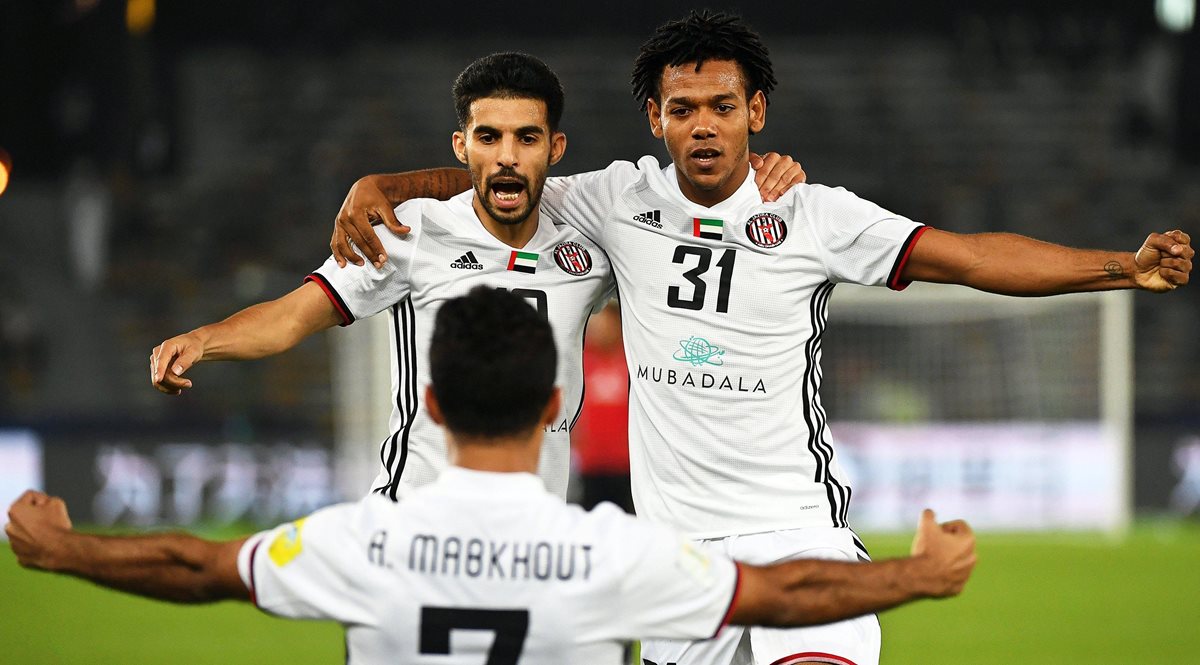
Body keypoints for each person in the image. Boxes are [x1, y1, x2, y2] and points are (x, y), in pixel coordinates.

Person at [328, 11, 1193, 665]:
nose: (704, 125)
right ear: (654, 121)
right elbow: (501, 175)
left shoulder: (814, 214)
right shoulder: (614, 199)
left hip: (797, 532)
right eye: (683, 108)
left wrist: (1121, 267)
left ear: (758, 111)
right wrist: (385, 183)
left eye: (723, 106)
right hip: (676, 554)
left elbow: (965, 258)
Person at [9, 286, 977, 664]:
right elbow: (788, 585)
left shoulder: (359, 539)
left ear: (429, 405)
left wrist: (63, 549)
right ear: (561, 405)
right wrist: (917, 574)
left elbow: (196, 566)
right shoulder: (613, 550)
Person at [150, 52, 806, 501]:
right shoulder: (412, 232)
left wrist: (767, 174)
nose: (507, 158)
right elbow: (295, 314)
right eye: (488, 137)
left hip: (538, 528)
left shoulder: (594, 233)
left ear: (556, 149)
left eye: (526, 138)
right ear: (462, 145)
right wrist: (203, 340)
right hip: (416, 518)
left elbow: (702, 201)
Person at [573, 300, 633, 513]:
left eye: (605, 322)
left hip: (628, 467)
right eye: (594, 323)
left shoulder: (632, 363)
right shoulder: (580, 361)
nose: (598, 329)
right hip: (591, 466)